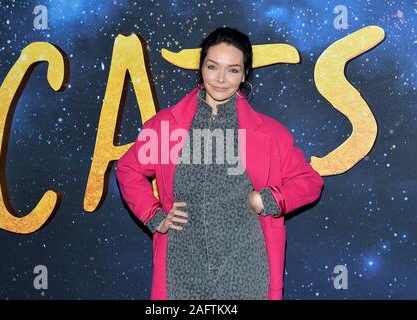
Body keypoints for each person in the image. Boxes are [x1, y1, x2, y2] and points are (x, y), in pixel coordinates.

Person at [116, 27, 324, 300]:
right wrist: (154, 216)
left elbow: (310, 183)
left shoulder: (271, 133)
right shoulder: (165, 125)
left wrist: (270, 200)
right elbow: (128, 168)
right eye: (213, 67)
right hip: (182, 268)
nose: (221, 79)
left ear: (245, 73)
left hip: (248, 270)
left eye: (233, 70)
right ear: (201, 67)